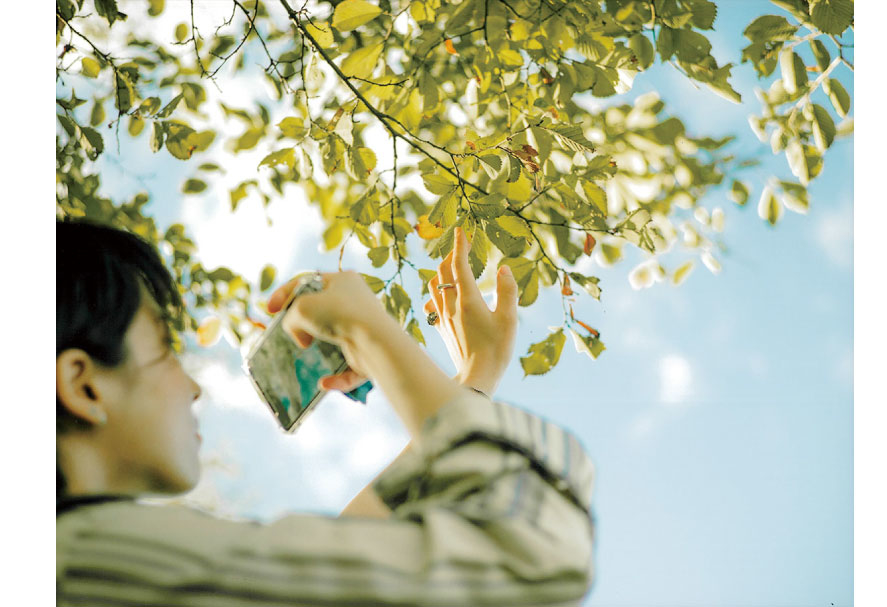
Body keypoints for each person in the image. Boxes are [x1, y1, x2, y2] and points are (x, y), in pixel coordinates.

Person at [56, 218, 596, 606]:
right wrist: (372, 334)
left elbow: (354, 553)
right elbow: (532, 554)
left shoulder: (96, 559)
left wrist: (474, 378)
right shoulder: (87, 560)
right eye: (163, 350)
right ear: (84, 385)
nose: (193, 387)